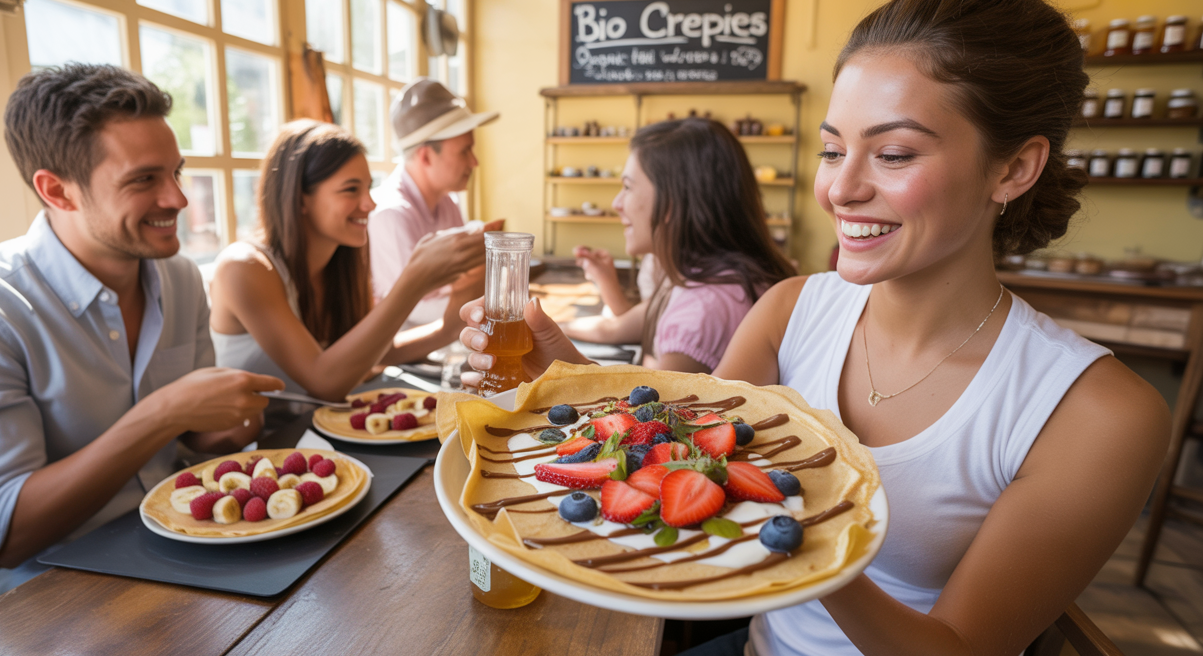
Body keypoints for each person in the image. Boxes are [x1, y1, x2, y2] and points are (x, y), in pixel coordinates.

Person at [457, 1, 1172, 654]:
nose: (840, 188)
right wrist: (564, 373)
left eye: (893, 154)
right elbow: (678, 457)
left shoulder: (1098, 414)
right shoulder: (792, 308)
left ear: (1014, 167)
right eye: (834, 149)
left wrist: (815, 539)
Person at [0, 64, 284, 614]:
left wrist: (224, 427)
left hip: (183, 564)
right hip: (46, 610)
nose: (178, 199)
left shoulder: (179, 278)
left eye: (176, 173)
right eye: (144, 180)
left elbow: (194, 444)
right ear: (56, 190)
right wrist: (161, 413)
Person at [208, 120, 487, 402]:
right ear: (300, 199)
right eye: (351, 189)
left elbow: (371, 353)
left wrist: (449, 326)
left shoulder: (342, 263)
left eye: (368, 187)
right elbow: (324, 381)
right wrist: (415, 280)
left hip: (318, 432)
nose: (370, 203)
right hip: (263, 442)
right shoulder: (244, 268)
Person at [561, 118, 795, 373]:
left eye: (627, 187)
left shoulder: (699, 311)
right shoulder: (714, 279)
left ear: (671, 203)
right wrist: (556, 328)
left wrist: (565, 366)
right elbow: (621, 327)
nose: (617, 203)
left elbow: (660, 411)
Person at [369, 78, 500, 328]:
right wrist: (499, 307)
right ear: (426, 156)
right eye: (464, 151)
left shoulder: (447, 202)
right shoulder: (391, 215)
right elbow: (410, 310)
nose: (475, 162)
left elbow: (459, 283)